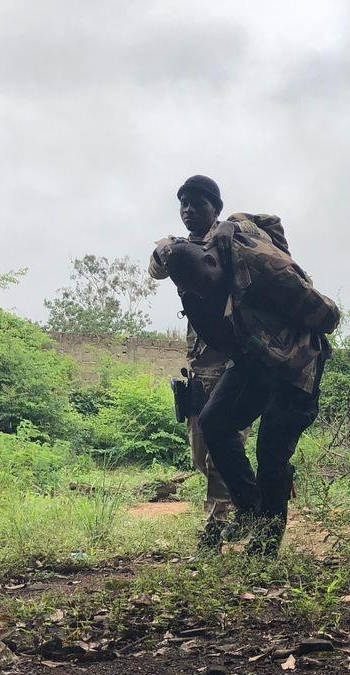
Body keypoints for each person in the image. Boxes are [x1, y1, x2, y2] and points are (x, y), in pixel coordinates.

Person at [152, 215, 339, 556]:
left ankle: (266, 543)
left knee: (271, 454)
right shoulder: (197, 279)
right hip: (254, 362)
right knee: (214, 422)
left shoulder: (263, 265)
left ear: (211, 260)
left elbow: (328, 316)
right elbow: (163, 253)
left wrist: (281, 329)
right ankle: (252, 509)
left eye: (202, 282)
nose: (200, 292)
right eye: (192, 289)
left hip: (296, 368)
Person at [148, 175, 248, 550]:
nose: (189, 209)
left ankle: (216, 525)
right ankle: (242, 507)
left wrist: (228, 228)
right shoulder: (181, 249)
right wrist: (166, 248)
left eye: (198, 203)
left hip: (231, 366)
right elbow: (156, 268)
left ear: (215, 208)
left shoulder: (231, 239)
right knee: (201, 454)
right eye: (183, 203)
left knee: (223, 449)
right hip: (198, 367)